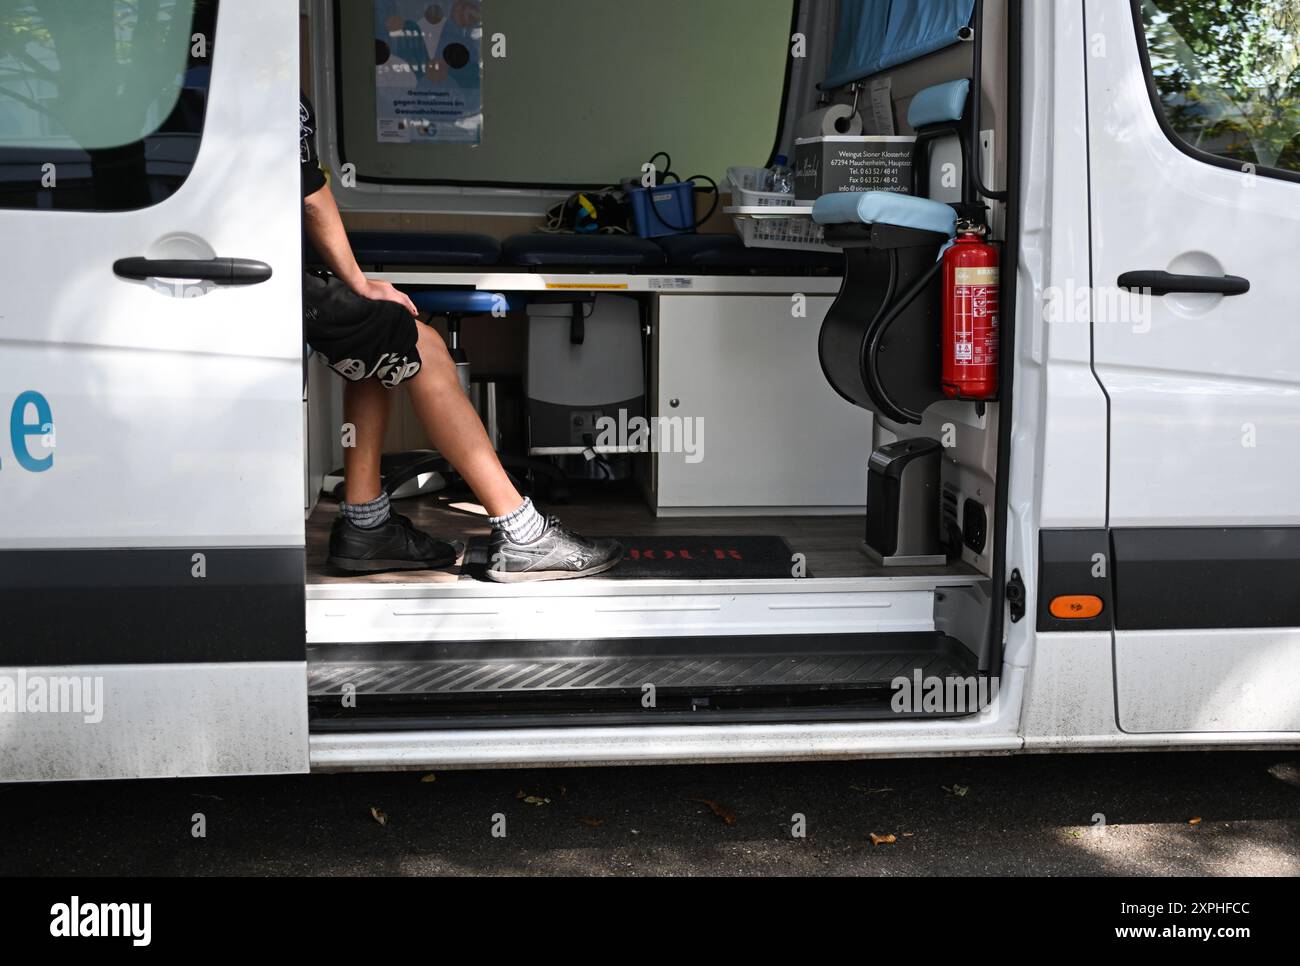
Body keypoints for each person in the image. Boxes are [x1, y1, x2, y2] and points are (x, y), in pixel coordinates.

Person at [299, 93, 622, 582]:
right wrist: (359, 280)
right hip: (274, 275)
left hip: (261, 269)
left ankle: (365, 527)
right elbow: (309, 191)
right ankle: (523, 534)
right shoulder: (268, 81)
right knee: (422, 346)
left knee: (374, 342)